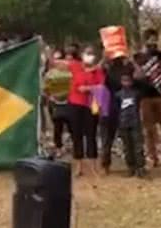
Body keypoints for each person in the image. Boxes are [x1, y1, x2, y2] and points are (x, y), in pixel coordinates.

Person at [134, 29, 161, 167]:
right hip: (145, 96)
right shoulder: (137, 57)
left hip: (160, 95)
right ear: (145, 40)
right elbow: (135, 76)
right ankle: (153, 158)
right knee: (149, 129)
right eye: (150, 39)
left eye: (155, 39)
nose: (153, 42)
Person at [67, 45, 104, 177]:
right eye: (87, 53)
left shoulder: (98, 71)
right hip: (75, 103)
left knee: (91, 134)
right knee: (76, 134)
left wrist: (89, 88)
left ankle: (93, 166)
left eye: (91, 53)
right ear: (82, 54)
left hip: (91, 105)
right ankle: (79, 166)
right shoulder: (75, 66)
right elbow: (56, 64)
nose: (89, 55)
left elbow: (100, 87)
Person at [100, 52, 131, 174]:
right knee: (122, 137)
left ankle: (106, 165)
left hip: (114, 107)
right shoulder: (111, 70)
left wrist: (103, 59)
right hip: (116, 107)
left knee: (109, 138)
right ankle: (129, 165)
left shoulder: (123, 70)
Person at [115, 68, 150, 178]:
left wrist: (137, 76)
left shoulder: (137, 93)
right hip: (123, 123)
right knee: (127, 147)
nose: (126, 83)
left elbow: (145, 84)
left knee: (138, 146)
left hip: (135, 122)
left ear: (131, 81)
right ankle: (131, 167)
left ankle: (141, 168)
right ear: (121, 82)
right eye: (124, 80)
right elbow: (116, 110)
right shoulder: (118, 95)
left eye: (128, 80)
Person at [43, 48, 72, 156]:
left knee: (71, 126)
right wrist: (49, 98)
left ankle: (73, 146)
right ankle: (59, 147)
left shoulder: (70, 73)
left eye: (60, 59)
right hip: (55, 103)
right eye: (56, 60)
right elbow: (45, 89)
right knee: (57, 127)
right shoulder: (50, 74)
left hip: (69, 103)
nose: (59, 62)